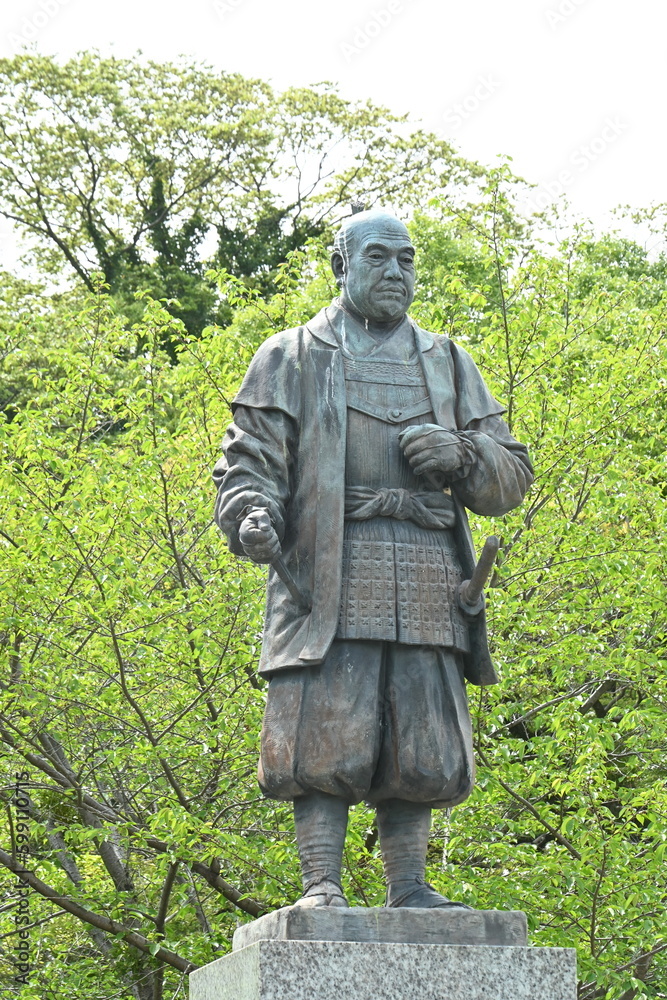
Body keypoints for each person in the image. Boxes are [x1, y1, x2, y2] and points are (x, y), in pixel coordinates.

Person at [213, 210, 533, 909]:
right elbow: (247, 468)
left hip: (427, 569)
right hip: (327, 569)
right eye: (379, 258)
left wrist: (464, 453)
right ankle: (319, 883)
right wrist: (251, 519)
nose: (395, 273)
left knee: (419, 734)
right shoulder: (290, 355)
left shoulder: (447, 361)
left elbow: (509, 477)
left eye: (407, 260)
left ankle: (410, 885)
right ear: (340, 266)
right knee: (326, 724)